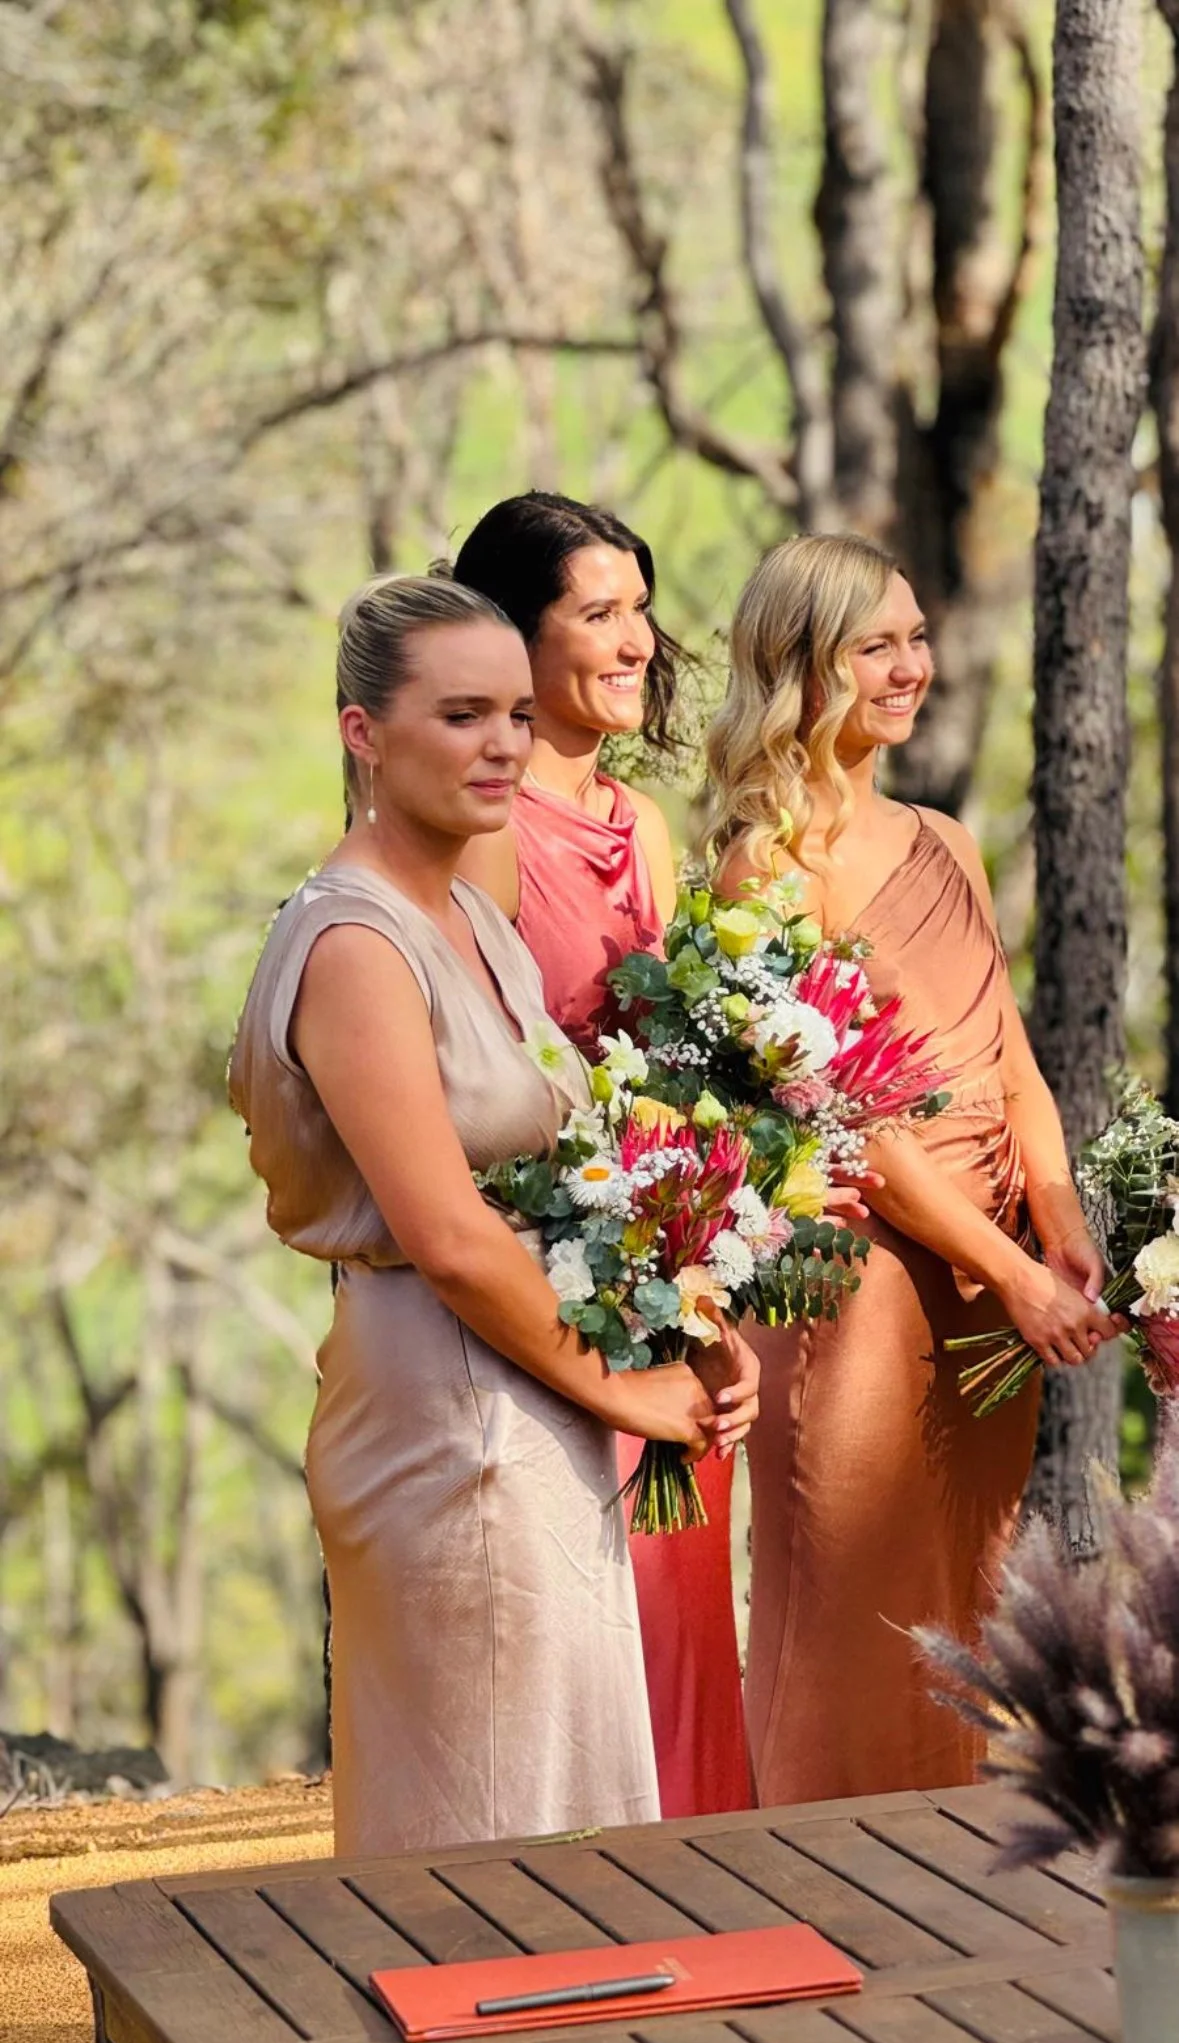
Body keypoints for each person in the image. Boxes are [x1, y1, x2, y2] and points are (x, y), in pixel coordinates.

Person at [228, 573, 758, 1855]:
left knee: (564, 1802)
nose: (505, 744)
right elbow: (456, 1237)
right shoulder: (356, 945)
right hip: (444, 1411)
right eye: (462, 714)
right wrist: (627, 1392)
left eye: (517, 713)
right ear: (364, 731)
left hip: (532, 1394)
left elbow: (561, 1171)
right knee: (484, 1823)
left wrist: (680, 1318)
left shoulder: (466, 908)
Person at [705, 533, 1122, 1806]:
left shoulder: (945, 835)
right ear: (801, 665)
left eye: (917, 637)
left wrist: (1054, 1218)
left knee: (967, 1591)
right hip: (865, 1281)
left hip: (994, 1278)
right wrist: (1007, 1265)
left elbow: (1011, 1056)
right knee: (854, 1607)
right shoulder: (762, 865)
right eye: (873, 645)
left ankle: (957, 1895)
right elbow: (845, 1124)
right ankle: (824, 1891)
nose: (909, 667)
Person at [453, 491, 751, 1818]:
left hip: (675, 1289)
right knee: (587, 1658)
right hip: (555, 1305)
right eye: (597, 613)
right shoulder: (481, 838)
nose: (636, 640)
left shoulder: (646, 830)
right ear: (513, 644)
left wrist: (714, 1274)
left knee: (684, 1636)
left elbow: (681, 1071)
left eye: (639, 608)